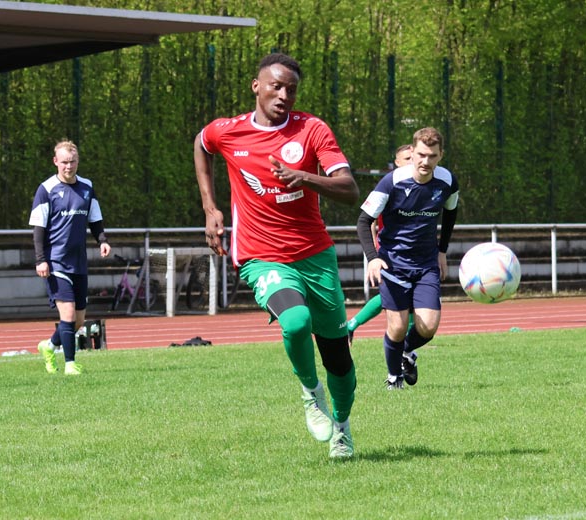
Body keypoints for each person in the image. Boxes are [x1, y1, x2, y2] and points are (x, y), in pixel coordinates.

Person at [194, 53, 359, 458]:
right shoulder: (228, 131)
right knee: (296, 321)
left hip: (315, 255)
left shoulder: (311, 129)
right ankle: (310, 391)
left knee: (339, 360)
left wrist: (304, 177)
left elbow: (349, 189)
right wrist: (210, 208)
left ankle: (341, 426)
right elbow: (202, 144)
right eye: (276, 86)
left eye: (291, 89)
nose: (284, 95)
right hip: (261, 256)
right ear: (257, 86)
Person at [357, 127, 458, 390]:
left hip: (426, 264)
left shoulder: (448, 181)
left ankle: (404, 352)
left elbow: (451, 212)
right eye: (421, 155)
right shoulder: (391, 182)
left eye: (432, 156)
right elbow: (363, 220)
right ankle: (394, 379)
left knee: (428, 326)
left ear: (441, 155)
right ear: (412, 152)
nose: (426, 161)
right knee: (398, 326)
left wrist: (442, 250)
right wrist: (373, 258)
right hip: (393, 264)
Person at [29, 140, 110, 376]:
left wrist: (102, 241)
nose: (69, 166)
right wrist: (40, 259)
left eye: (72, 161)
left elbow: (95, 219)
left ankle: (49, 345)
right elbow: (38, 229)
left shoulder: (87, 186)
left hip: (79, 262)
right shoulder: (46, 189)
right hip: (55, 261)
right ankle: (70, 364)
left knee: (78, 321)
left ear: (78, 161)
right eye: (64, 162)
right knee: (68, 314)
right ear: (55, 161)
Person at [347, 144, 413, 339]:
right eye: (407, 159)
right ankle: (406, 342)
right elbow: (369, 220)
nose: (412, 162)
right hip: (391, 250)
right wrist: (375, 249)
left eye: (413, 157)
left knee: (401, 293)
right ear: (397, 162)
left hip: (411, 249)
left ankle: (353, 324)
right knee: (395, 293)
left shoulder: (420, 185)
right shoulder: (389, 185)